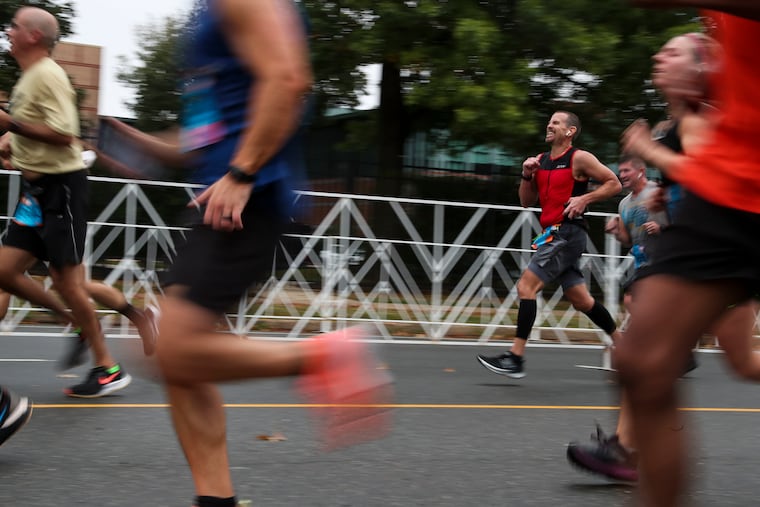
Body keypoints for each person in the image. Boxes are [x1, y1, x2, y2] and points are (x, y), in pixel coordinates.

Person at [104, 2, 393, 506]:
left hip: (244, 198)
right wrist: (139, 146)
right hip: (222, 196)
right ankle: (215, 498)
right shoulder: (210, 13)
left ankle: (323, 357)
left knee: (170, 347)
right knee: (179, 362)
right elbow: (204, 135)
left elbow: (288, 79)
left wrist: (243, 173)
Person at [568, 27, 760, 486]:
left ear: (700, 70)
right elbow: (688, 179)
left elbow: (710, 173)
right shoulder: (668, 127)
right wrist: (664, 195)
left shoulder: (699, 120)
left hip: (720, 253)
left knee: (646, 354)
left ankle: (628, 452)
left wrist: (649, 152)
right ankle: (628, 450)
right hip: (704, 252)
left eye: (673, 53)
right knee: (736, 362)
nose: (660, 56)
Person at [0, 6, 131, 397]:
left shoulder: (48, 74)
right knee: (4, 272)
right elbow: (30, 129)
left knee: (68, 283)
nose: (8, 31)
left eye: (14, 26)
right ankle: (71, 321)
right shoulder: (29, 78)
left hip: (62, 190)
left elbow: (64, 133)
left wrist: (10, 124)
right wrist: (10, 141)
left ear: (33, 36)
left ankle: (108, 368)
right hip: (36, 194)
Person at [477, 110, 623, 378]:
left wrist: (585, 199)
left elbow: (614, 184)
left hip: (567, 232)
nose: (549, 125)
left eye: (556, 122)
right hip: (551, 233)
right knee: (581, 300)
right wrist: (526, 174)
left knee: (526, 287)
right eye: (549, 121)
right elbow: (526, 202)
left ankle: (515, 358)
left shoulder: (579, 158)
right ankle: (625, 346)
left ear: (570, 131)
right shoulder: (541, 161)